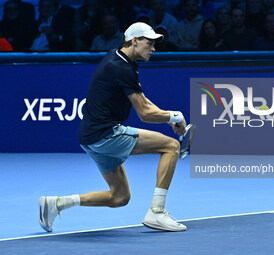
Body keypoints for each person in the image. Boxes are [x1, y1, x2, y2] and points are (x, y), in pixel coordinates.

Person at [38, 22, 187, 232]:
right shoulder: (122, 67)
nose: (153, 48)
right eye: (150, 43)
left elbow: (143, 101)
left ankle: (56, 204)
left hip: (89, 138)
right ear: (134, 41)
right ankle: (157, 212)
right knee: (171, 146)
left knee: (119, 197)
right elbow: (144, 114)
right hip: (106, 135)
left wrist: (170, 118)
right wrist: (176, 116)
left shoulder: (118, 58)